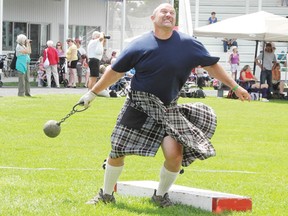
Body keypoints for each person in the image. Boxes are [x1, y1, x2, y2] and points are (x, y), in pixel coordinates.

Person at [78, 3, 250, 208]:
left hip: (168, 108)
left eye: (172, 12)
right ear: (153, 18)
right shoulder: (139, 44)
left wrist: (235, 86)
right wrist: (92, 93)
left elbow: (211, 66)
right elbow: (115, 72)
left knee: (174, 156)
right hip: (139, 104)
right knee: (117, 149)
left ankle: (160, 196)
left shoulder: (189, 44)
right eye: (164, 12)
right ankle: (106, 195)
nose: (168, 15)